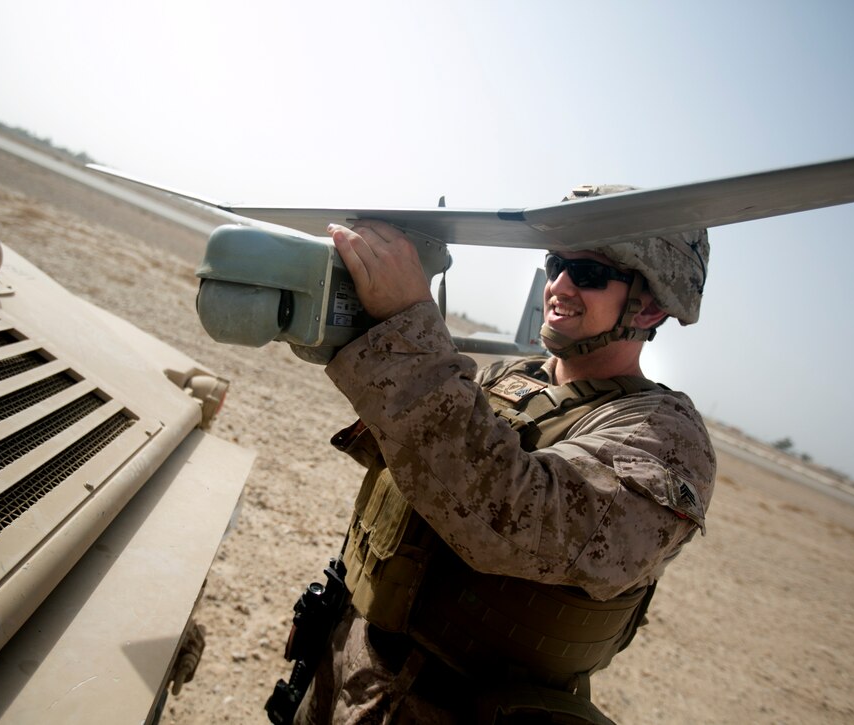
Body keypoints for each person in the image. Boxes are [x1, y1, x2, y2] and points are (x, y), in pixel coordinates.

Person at [289, 184, 716, 724]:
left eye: (588, 274)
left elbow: (514, 519)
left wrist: (406, 322)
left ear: (651, 307)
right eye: (558, 264)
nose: (559, 285)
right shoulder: (512, 377)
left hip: (453, 707)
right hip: (351, 656)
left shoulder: (665, 439)